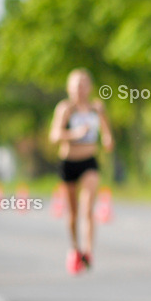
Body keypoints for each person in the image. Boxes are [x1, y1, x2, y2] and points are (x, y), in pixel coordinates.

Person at [49, 69, 113, 274]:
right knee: (73, 213)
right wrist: (74, 134)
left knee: (88, 208)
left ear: (90, 87)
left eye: (84, 84)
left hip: (89, 162)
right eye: (76, 85)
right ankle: (75, 249)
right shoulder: (65, 108)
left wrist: (107, 139)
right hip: (69, 162)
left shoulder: (96, 109)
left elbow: (106, 134)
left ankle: (88, 251)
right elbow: (54, 135)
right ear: (69, 88)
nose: (80, 89)